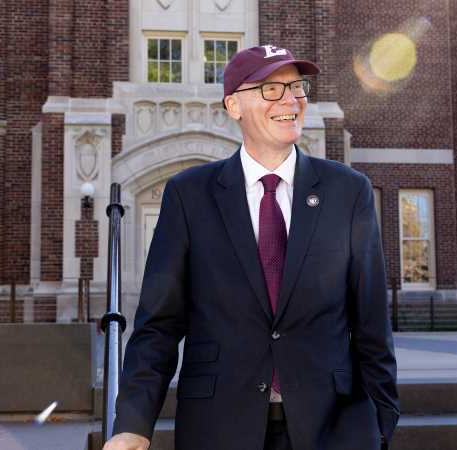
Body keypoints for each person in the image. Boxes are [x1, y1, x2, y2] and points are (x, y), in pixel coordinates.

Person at [103, 44, 399, 450]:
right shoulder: (189, 195)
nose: (291, 100)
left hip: (334, 428)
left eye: (296, 87)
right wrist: (133, 424)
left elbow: (371, 320)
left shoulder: (348, 191)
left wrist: (384, 420)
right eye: (271, 89)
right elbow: (159, 325)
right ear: (233, 105)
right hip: (219, 427)